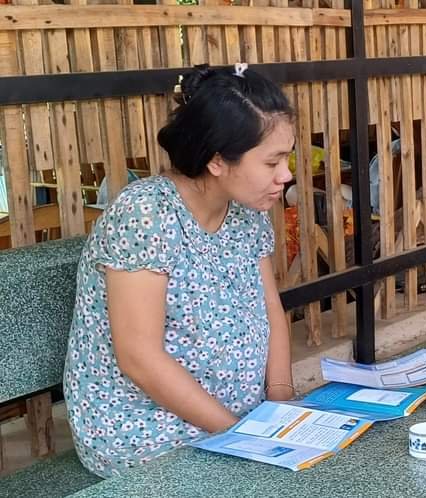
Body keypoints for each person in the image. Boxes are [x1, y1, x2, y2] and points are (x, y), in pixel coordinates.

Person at [63, 63, 297, 477]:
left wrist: (281, 403)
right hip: (146, 428)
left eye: (287, 158)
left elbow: (270, 310)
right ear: (217, 160)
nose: (286, 175)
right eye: (271, 162)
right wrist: (242, 436)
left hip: (237, 417)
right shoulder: (146, 214)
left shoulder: (248, 213)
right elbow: (139, 358)